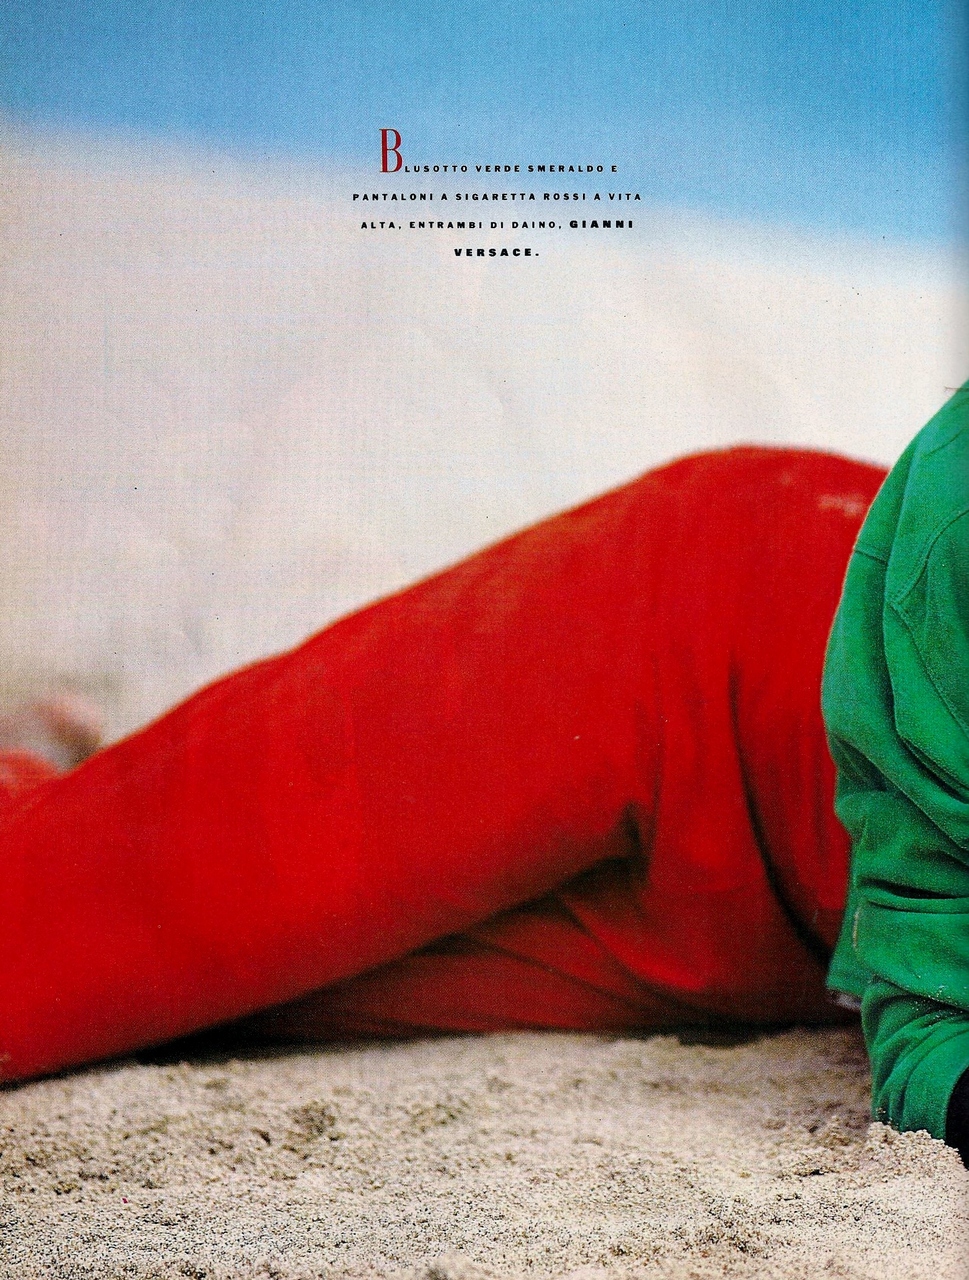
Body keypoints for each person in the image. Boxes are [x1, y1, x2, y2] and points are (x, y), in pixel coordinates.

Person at [0, 392, 964, 1165]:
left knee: (198, 997)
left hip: (788, 936)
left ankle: (62, 783)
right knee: (57, 935)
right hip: (679, 646)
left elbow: (927, 1021)